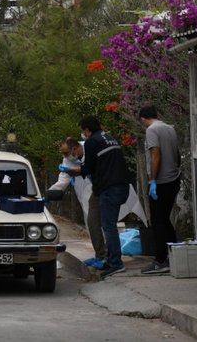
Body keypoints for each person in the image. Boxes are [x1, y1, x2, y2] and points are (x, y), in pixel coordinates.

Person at [78, 115, 131, 278]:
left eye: (83, 131)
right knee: (109, 225)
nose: (83, 134)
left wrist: (75, 169)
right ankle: (110, 260)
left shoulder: (92, 141)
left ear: (87, 129)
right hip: (123, 185)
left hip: (109, 188)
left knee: (109, 226)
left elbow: (88, 168)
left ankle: (115, 263)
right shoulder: (109, 138)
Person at [51, 137, 106, 269]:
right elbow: (63, 181)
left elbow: (90, 168)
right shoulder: (69, 159)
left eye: (66, 152)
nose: (65, 156)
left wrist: (75, 171)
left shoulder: (91, 149)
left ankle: (109, 257)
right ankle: (101, 255)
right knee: (92, 222)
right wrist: (49, 194)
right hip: (96, 189)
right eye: (63, 153)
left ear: (74, 148)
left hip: (107, 186)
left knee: (107, 223)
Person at [139, 105, 181, 275]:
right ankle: (174, 255)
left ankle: (160, 260)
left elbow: (156, 154)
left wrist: (153, 180)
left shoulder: (151, 130)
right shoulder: (170, 128)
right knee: (165, 219)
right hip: (174, 178)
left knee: (157, 221)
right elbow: (177, 154)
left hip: (161, 182)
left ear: (143, 118)